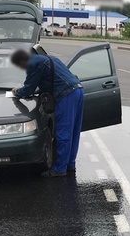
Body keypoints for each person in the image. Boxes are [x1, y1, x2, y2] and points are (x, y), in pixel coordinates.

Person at [10, 49, 84, 178]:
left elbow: (28, 89)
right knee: (73, 132)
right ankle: (70, 165)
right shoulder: (49, 58)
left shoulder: (32, 63)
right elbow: (49, 80)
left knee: (63, 133)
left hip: (65, 95)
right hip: (78, 90)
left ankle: (59, 169)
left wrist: (16, 92)